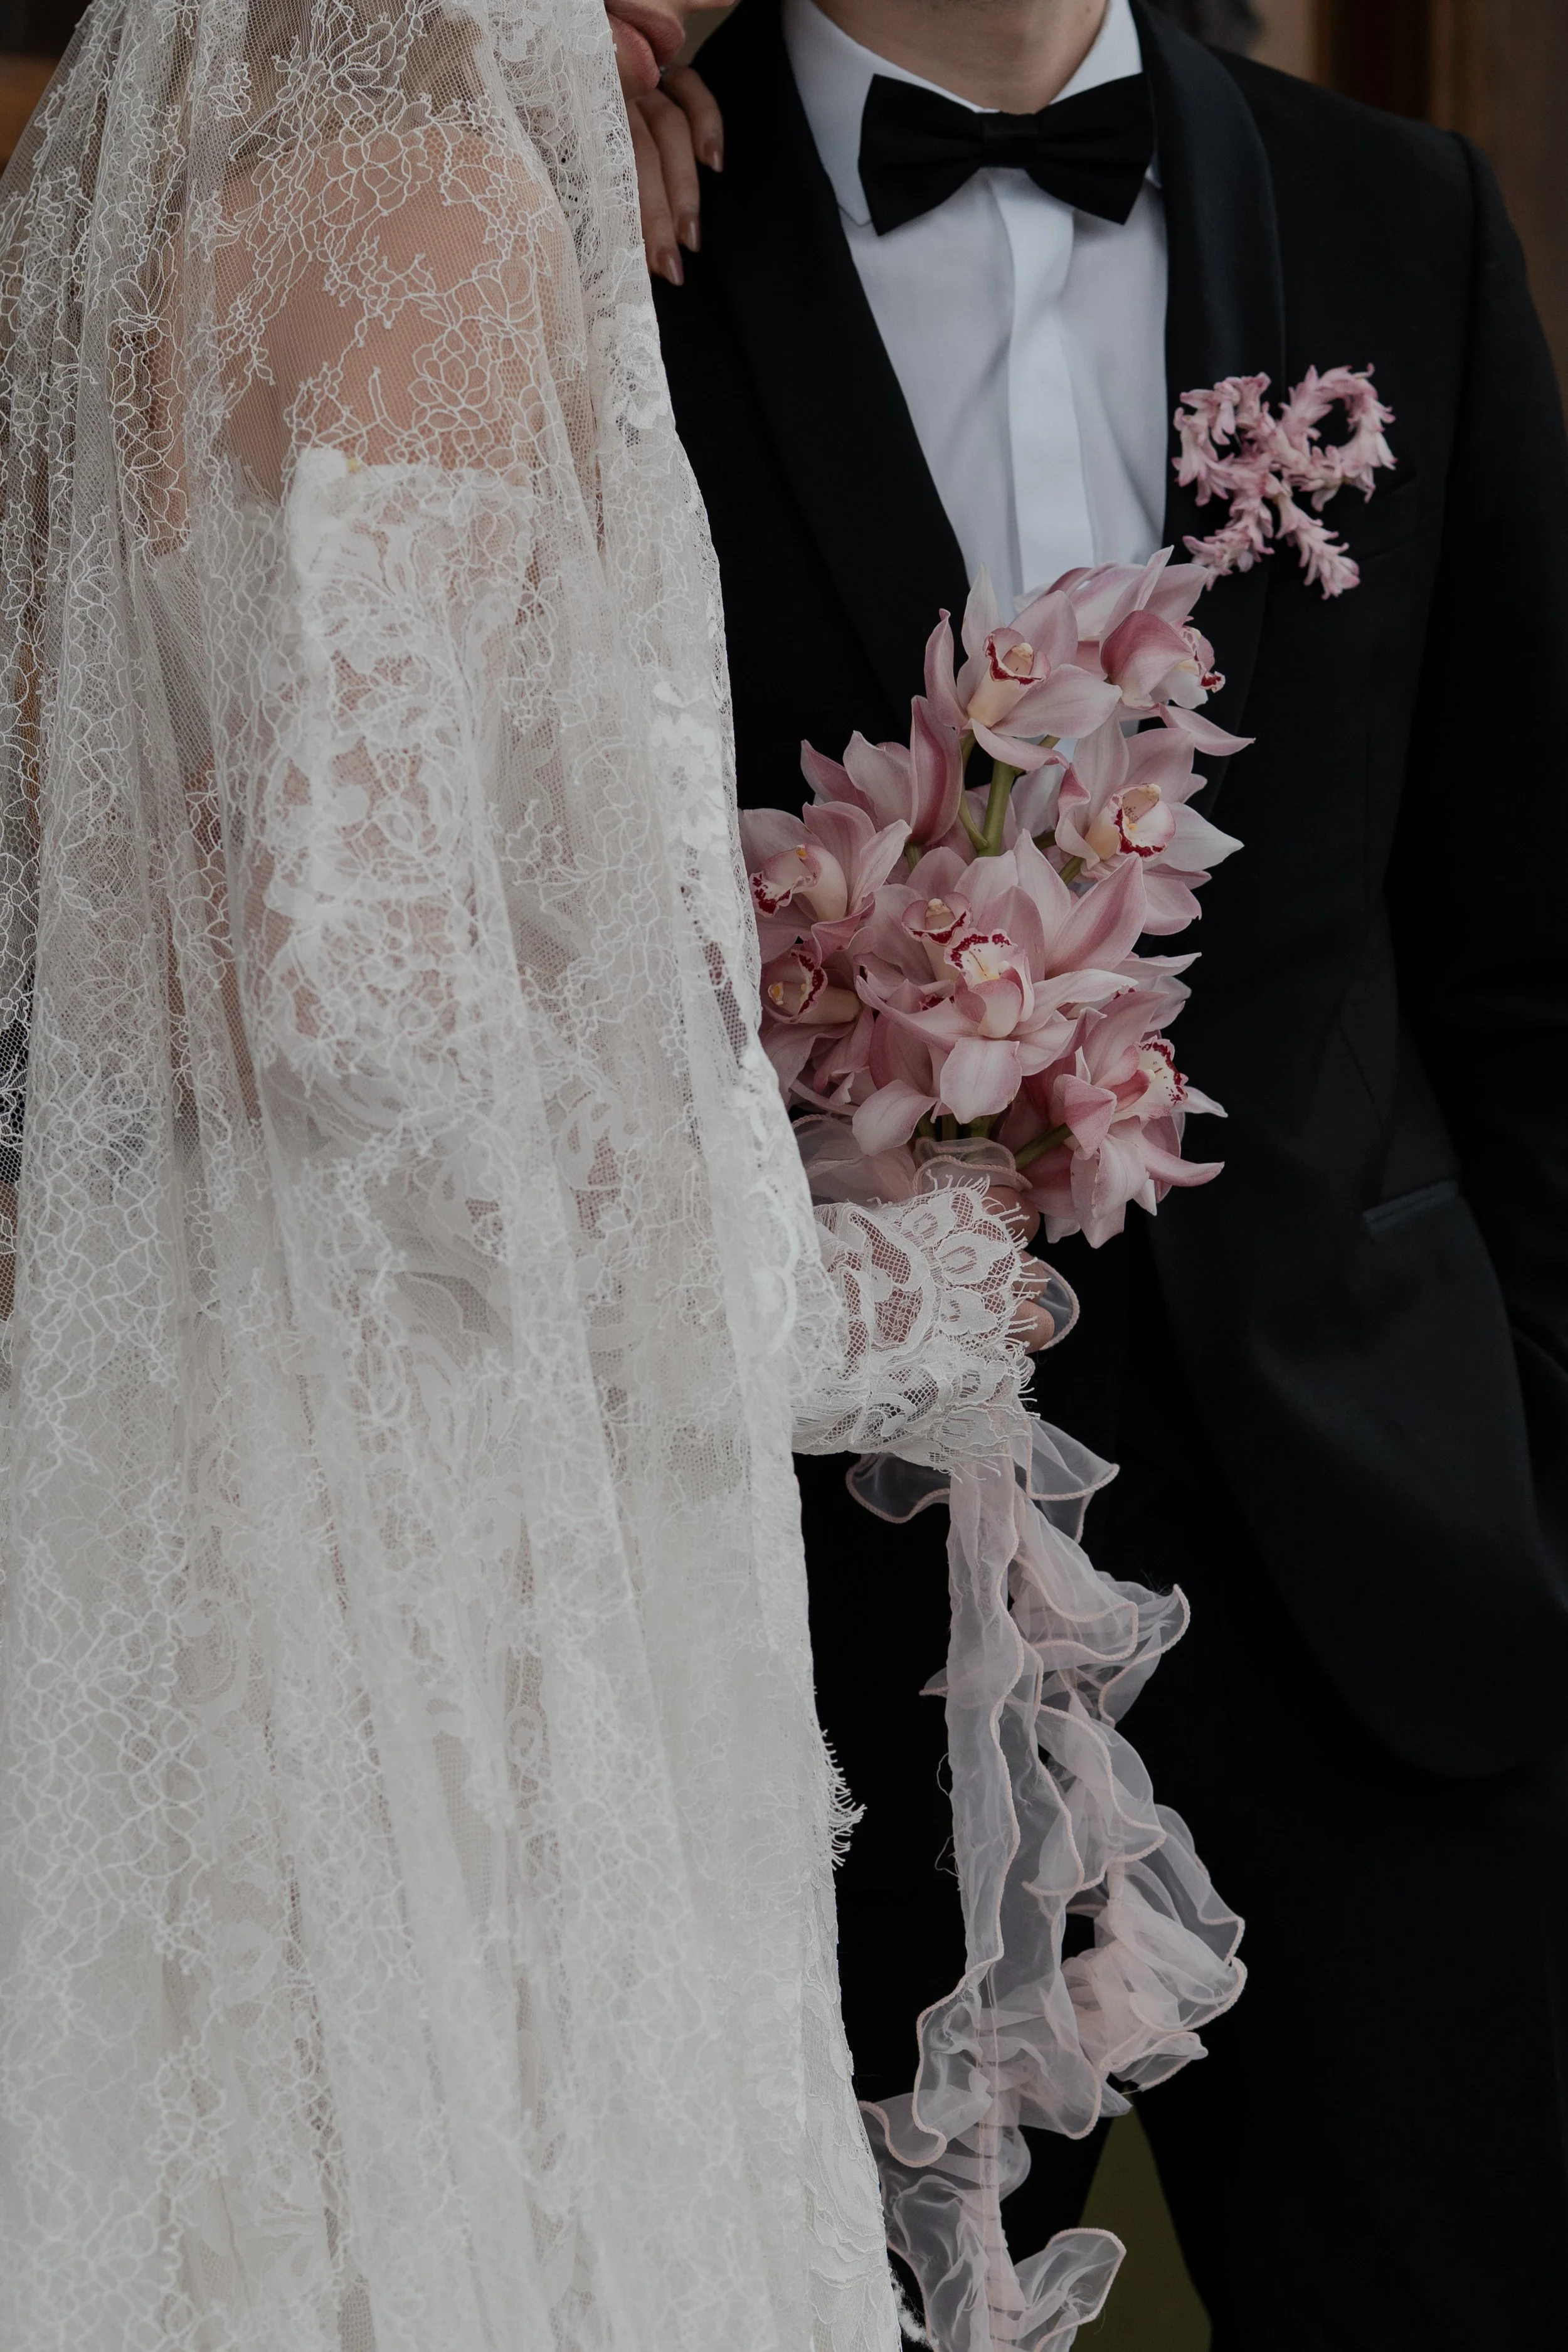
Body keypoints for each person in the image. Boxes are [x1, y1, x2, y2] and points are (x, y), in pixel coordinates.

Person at [0, 0, 1079, 2342]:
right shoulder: (447, 209)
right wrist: (820, 1302)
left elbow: (158, 925)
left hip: (178, 1389)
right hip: (414, 1456)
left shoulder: (135, 228)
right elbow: (362, 992)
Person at [650, 0, 1568, 2343]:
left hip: (1377, 1602)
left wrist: (1530, 1466)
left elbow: (1520, 944)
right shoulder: (615, 223)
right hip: (823, 1645)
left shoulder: (1396, 215)